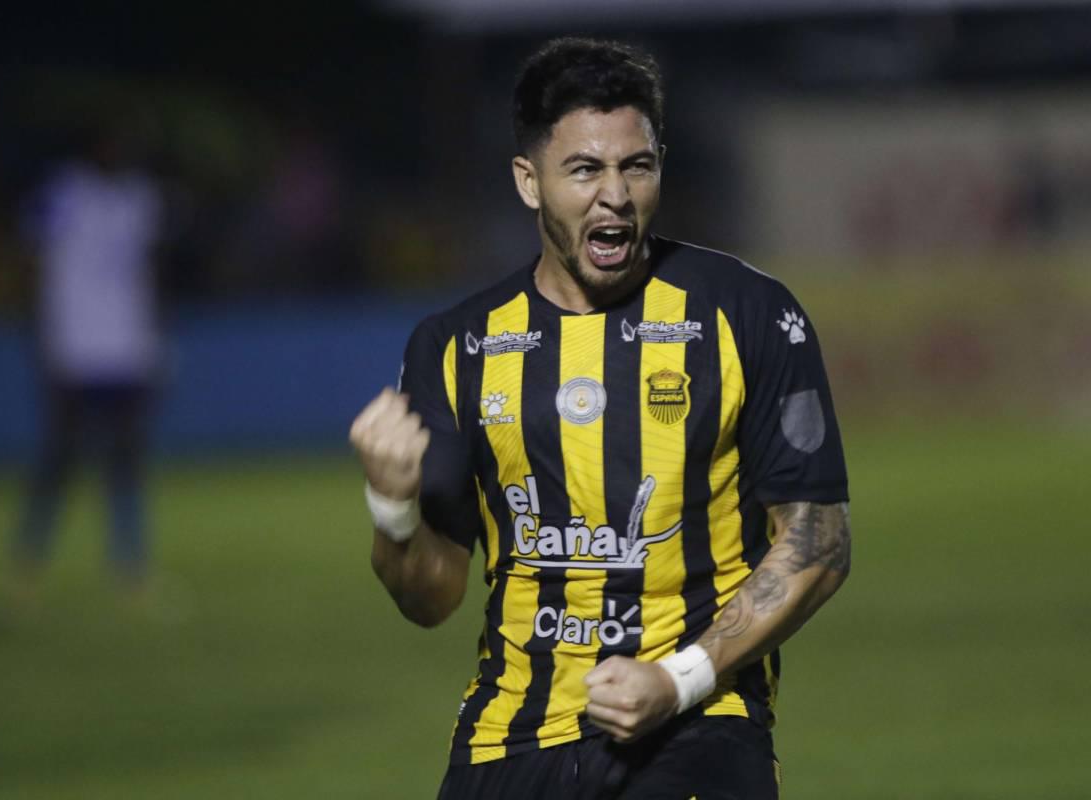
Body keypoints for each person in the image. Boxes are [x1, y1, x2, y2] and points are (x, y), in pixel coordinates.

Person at [349, 37, 850, 799]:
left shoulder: (745, 312)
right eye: (584, 169)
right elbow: (431, 597)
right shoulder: (456, 347)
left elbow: (820, 541)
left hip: (699, 725)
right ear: (529, 182)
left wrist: (680, 678)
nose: (615, 195)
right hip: (509, 740)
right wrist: (391, 510)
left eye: (636, 166)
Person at [11, 124, 164, 596]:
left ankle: (130, 566)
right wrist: (41, 328)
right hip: (74, 349)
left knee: (126, 461)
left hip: (128, 349)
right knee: (60, 460)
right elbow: (28, 257)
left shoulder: (140, 198)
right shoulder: (62, 193)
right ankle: (28, 563)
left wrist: (154, 337)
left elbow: (152, 271)